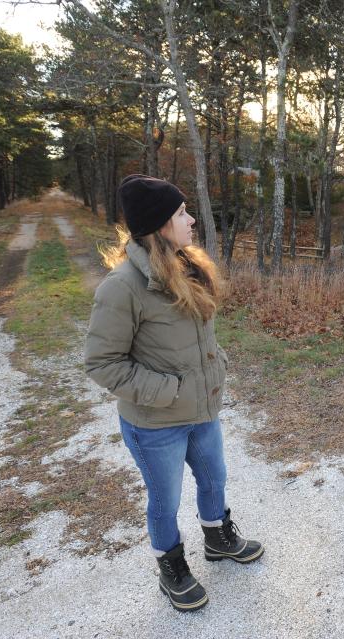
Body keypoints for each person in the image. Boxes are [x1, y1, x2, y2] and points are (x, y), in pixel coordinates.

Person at [84, 174, 263, 613]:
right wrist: (170, 390)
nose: (191, 219)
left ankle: (218, 540)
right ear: (159, 225)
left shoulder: (187, 265)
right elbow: (101, 363)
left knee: (214, 479)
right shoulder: (122, 286)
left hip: (202, 410)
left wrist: (215, 364)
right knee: (164, 501)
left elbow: (201, 335)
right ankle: (172, 568)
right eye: (181, 213)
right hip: (155, 423)